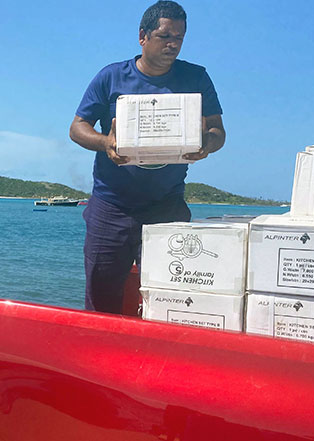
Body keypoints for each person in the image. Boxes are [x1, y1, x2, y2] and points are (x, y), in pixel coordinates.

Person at [69, 0, 225, 313]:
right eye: (165, 37)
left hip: (166, 207)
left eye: (179, 38)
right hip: (109, 208)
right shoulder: (111, 77)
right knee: (101, 300)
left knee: (172, 299)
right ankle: (101, 355)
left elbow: (218, 132)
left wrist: (205, 144)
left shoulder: (196, 78)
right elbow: (77, 127)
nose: (173, 45)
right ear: (143, 36)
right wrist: (105, 143)